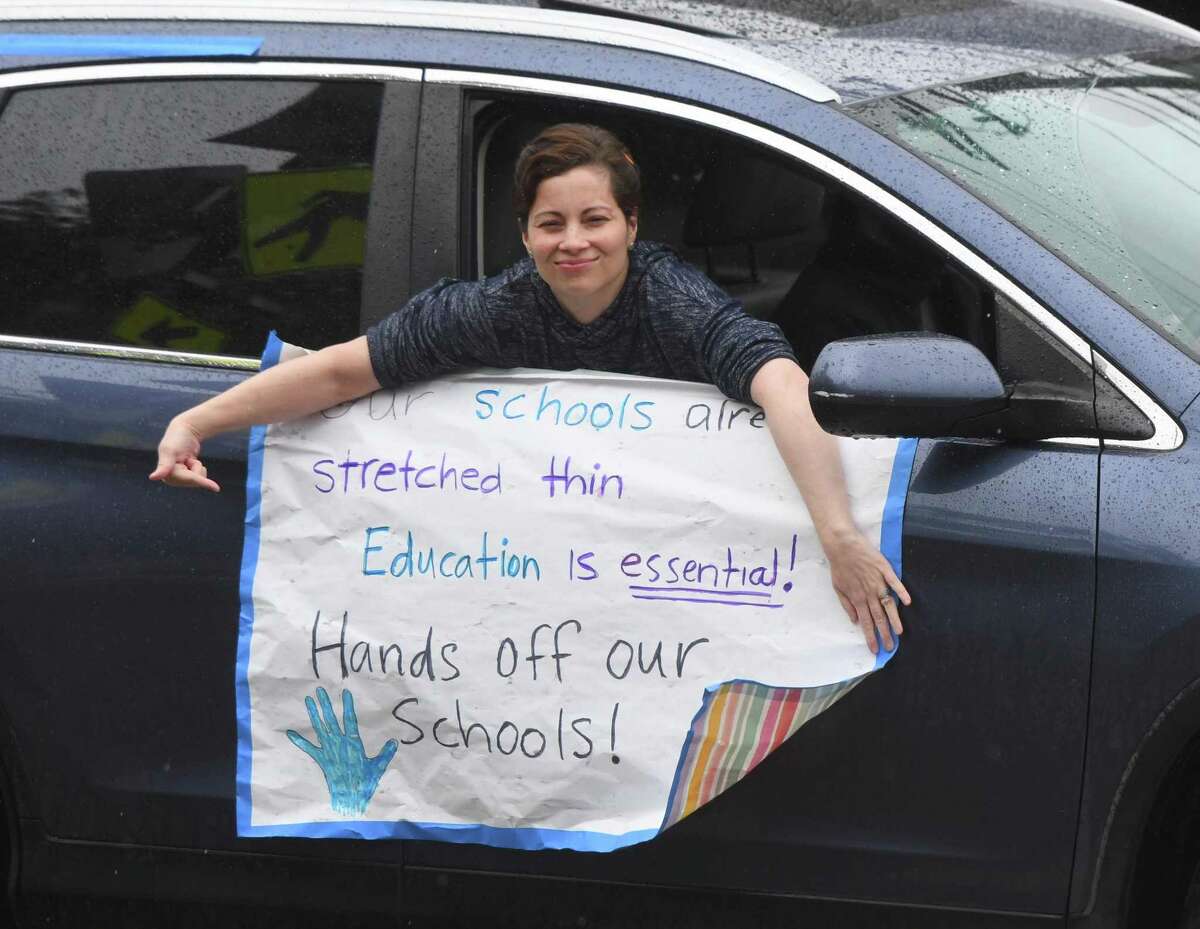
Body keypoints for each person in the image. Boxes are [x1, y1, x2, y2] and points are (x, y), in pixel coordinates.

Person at [150, 123, 910, 653]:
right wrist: (198, 420)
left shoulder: (673, 301)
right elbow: (346, 369)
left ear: (632, 223)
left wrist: (839, 538)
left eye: (595, 219)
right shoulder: (495, 311)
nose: (574, 241)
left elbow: (780, 381)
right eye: (552, 223)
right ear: (524, 234)